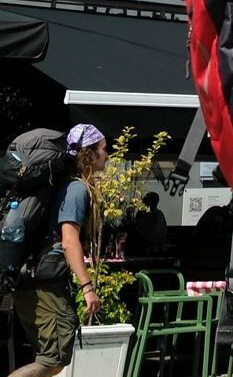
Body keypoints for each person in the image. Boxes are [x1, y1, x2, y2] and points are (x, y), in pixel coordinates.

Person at [8, 124, 107, 377]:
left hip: (32, 283)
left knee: (52, 359)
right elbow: (69, 240)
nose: (107, 154)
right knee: (53, 360)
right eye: (103, 149)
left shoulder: (62, 185)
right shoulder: (76, 189)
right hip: (45, 287)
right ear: (90, 153)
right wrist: (87, 288)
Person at [123, 191, 169, 259]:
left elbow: (153, 234)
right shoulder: (142, 214)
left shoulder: (158, 215)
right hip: (143, 245)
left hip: (153, 248)